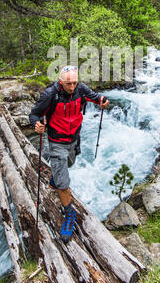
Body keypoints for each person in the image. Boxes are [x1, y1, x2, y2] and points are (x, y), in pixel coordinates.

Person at [29, 65, 109, 243]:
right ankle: (69, 213)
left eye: (74, 83)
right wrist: (37, 124)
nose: (72, 87)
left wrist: (103, 100)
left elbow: (96, 98)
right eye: (68, 84)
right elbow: (34, 114)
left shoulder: (81, 89)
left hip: (74, 138)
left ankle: (55, 179)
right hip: (56, 141)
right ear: (60, 82)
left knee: (69, 164)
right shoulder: (50, 94)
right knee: (63, 183)